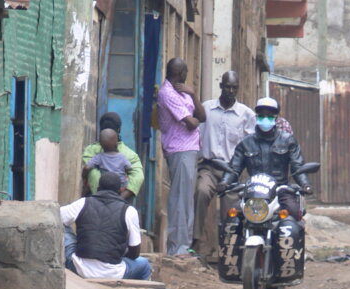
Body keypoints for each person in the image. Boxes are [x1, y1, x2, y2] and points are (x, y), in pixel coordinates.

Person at [192, 71, 255, 255]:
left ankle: (230, 248)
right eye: (227, 86)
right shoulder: (207, 108)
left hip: (232, 170)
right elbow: (196, 136)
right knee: (201, 192)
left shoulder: (246, 114)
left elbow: (250, 146)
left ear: (238, 89)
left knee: (232, 210)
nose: (230, 90)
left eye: (234, 87)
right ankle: (196, 242)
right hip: (209, 166)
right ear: (221, 86)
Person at [60, 171, 152, 281]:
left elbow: (55, 215)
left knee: (61, 225)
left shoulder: (83, 203)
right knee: (145, 264)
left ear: (98, 187)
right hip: (113, 273)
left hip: (80, 268)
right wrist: (119, 250)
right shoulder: (129, 211)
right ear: (120, 190)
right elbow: (135, 253)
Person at [219, 96, 310, 206]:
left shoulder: (288, 140)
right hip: (253, 193)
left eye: (269, 116)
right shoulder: (245, 143)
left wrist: (305, 184)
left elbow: (298, 166)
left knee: (292, 213)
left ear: (276, 118)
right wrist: (225, 182)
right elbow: (234, 168)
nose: (265, 118)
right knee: (233, 218)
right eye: (262, 115)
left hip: (280, 192)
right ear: (257, 117)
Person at [156, 57, 206, 256]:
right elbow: (192, 123)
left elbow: (201, 117)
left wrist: (193, 95)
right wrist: (193, 118)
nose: (187, 75)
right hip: (179, 149)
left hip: (189, 149)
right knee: (179, 200)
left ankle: (183, 246)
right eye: (185, 71)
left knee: (186, 200)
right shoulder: (167, 93)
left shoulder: (184, 93)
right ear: (180, 73)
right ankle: (177, 248)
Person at [82, 111, 144, 200]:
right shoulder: (130, 155)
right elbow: (138, 177)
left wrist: (102, 196)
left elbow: (92, 174)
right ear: (119, 130)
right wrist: (120, 199)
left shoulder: (91, 151)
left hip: (96, 199)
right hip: (122, 200)